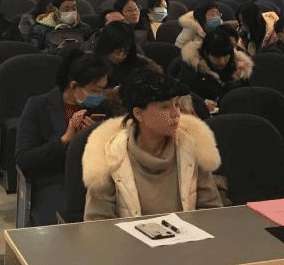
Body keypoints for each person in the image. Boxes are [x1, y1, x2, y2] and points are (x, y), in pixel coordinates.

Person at [82, 69, 223, 221]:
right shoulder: (109, 156)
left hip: (187, 235)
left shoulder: (192, 146)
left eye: (176, 104)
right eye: (165, 107)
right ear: (138, 114)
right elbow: (98, 225)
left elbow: (211, 212)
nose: (176, 113)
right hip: (128, 237)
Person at [16, 50, 110, 226]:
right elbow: (24, 159)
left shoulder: (103, 108)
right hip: (56, 179)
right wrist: (64, 140)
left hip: (96, 179)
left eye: (102, 90)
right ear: (74, 86)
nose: (100, 95)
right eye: (94, 90)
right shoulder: (38, 107)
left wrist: (98, 137)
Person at [180, 26, 254, 108]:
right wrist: (200, 102)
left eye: (226, 56)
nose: (222, 61)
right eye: (217, 57)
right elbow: (182, 95)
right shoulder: (192, 68)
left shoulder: (239, 68)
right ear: (206, 54)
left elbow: (247, 93)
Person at [94, 20, 158, 86]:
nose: (121, 56)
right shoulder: (92, 67)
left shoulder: (141, 66)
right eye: (117, 52)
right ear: (106, 47)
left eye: (125, 51)